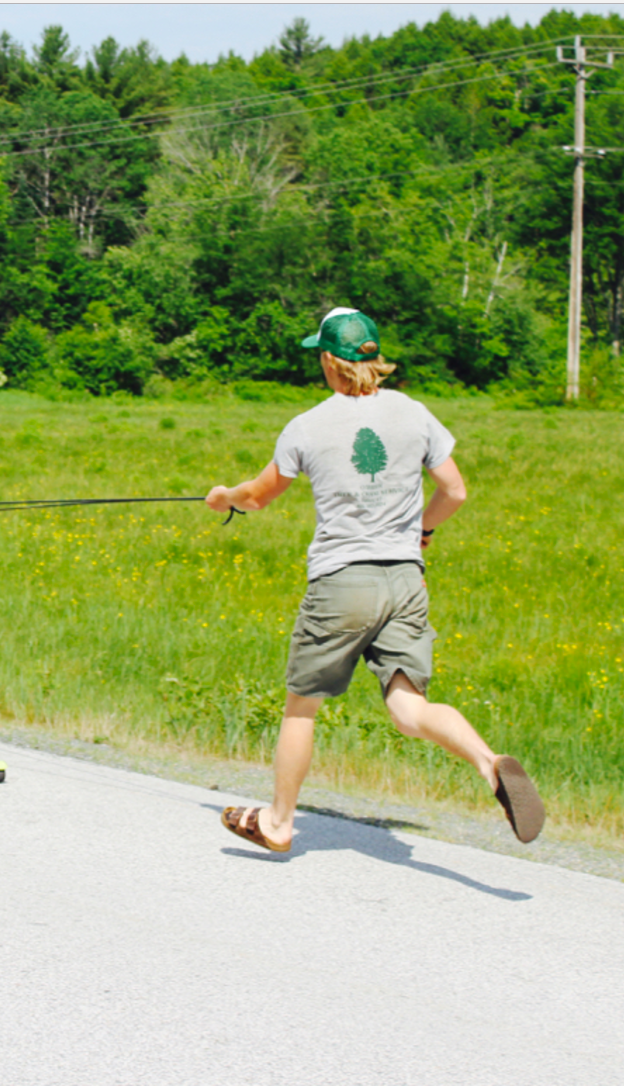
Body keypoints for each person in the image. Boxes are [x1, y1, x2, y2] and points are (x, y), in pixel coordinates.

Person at [204, 307, 544, 853]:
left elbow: (258, 496)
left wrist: (222, 497)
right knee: (409, 709)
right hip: (406, 581)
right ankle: (488, 761)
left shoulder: (308, 426)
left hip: (342, 581)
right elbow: (454, 490)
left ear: (327, 361)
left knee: (302, 705)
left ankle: (278, 821)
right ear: (373, 356)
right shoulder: (415, 414)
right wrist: (422, 531)